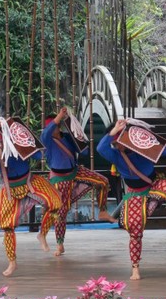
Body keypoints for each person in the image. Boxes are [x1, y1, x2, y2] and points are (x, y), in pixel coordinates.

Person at [97, 118, 166, 280]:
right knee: (135, 231)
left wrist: (145, 138)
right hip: (134, 194)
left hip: (154, 186)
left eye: (120, 141)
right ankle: (135, 268)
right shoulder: (115, 155)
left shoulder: (142, 149)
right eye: (115, 143)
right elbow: (101, 148)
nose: (117, 145)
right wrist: (114, 131)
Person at [0, 118, 62, 277]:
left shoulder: (21, 146)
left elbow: (37, 156)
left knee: (55, 203)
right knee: (7, 226)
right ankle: (12, 262)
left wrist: (25, 140)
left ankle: (42, 234)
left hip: (30, 182)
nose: (3, 139)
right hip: (10, 189)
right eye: (1, 136)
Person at [39, 107, 116, 257]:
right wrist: (59, 116)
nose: (54, 128)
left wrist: (79, 137)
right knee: (61, 211)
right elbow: (46, 132)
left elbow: (84, 151)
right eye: (52, 125)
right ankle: (59, 244)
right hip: (59, 178)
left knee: (103, 181)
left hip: (75, 171)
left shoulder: (67, 137)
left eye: (57, 126)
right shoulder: (46, 140)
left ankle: (102, 211)